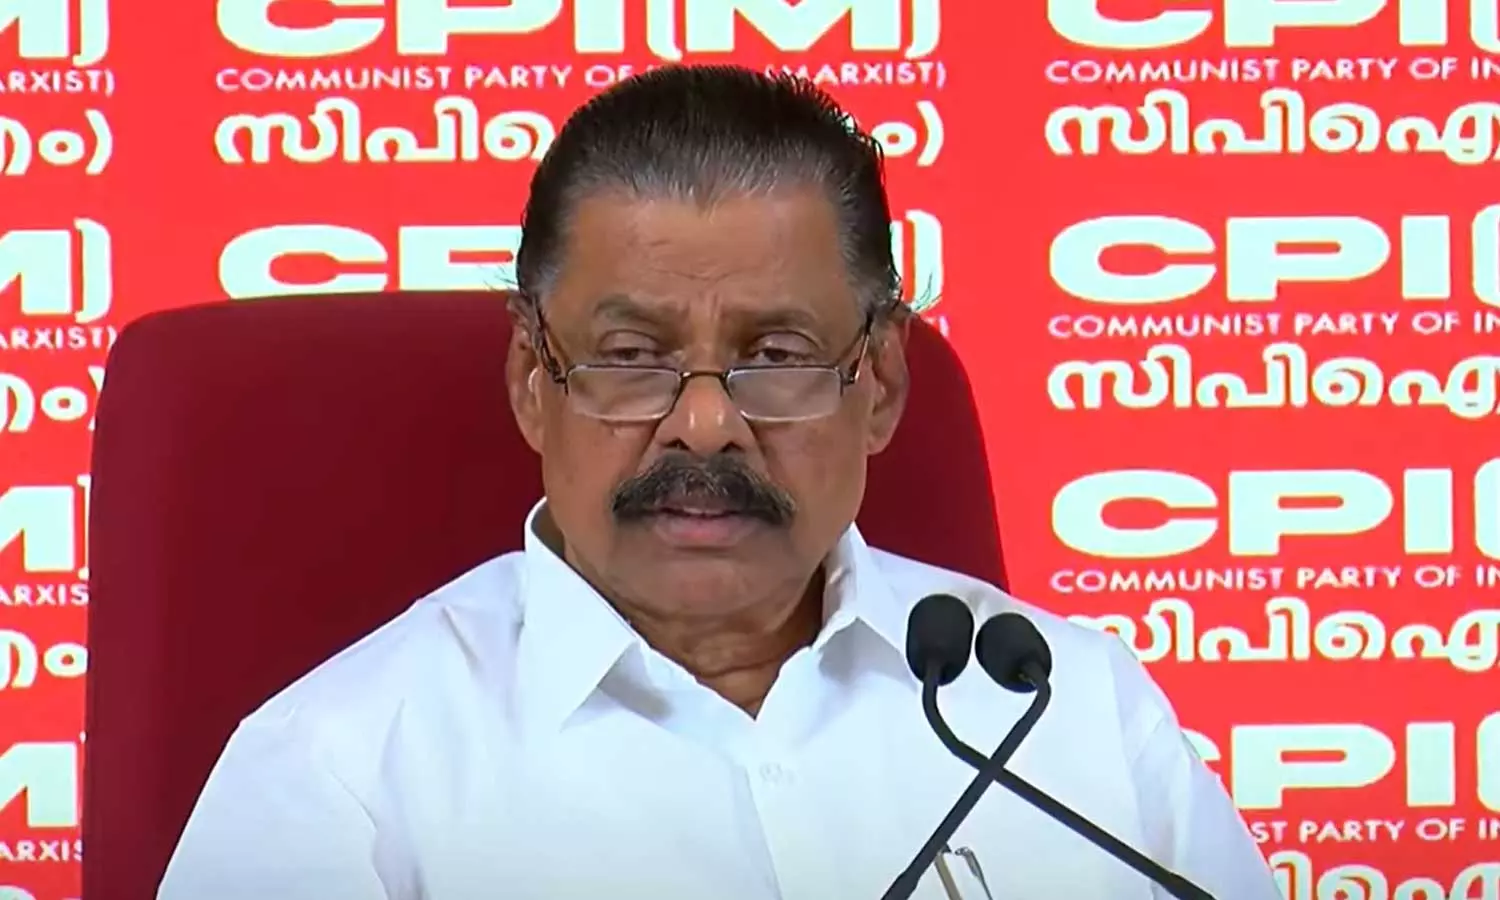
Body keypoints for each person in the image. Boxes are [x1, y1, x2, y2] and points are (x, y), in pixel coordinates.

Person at [158, 65, 1279, 899]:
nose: (704, 425)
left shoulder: (1066, 718)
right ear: (534, 383)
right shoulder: (340, 776)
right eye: (630, 356)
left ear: (880, 385)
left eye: (778, 355)